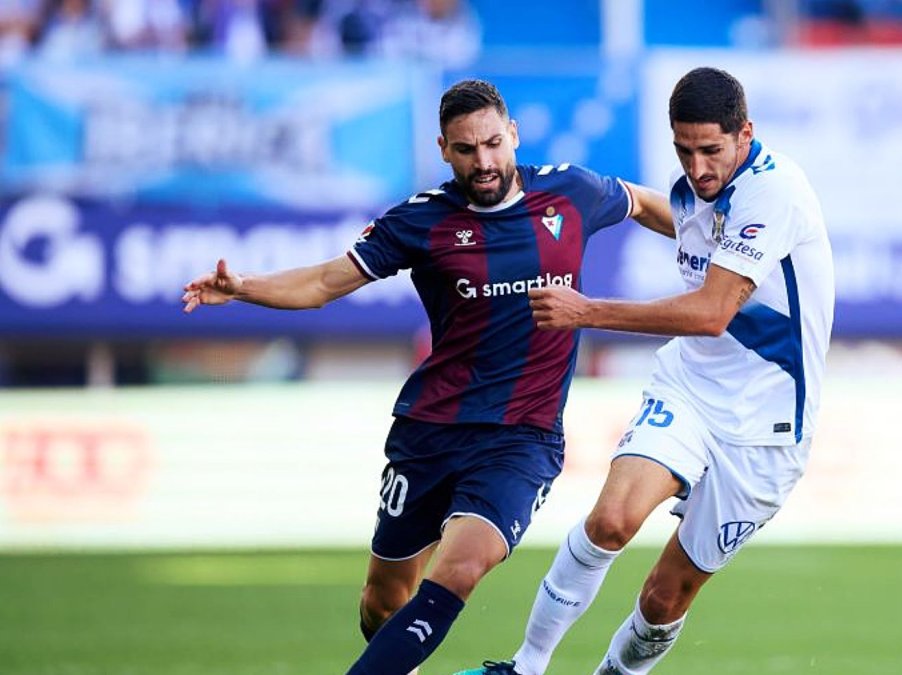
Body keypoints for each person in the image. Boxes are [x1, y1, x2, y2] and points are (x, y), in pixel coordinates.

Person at [181, 78, 673, 675]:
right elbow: (324, 283)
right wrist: (243, 288)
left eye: (492, 143)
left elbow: (643, 202)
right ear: (444, 149)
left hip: (522, 437)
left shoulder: (571, 192)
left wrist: (714, 250)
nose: (483, 161)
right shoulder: (422, 221)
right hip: (431, 431)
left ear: (513, 135)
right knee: (383, 600)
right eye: (466, 149)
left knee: (460, 569)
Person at [457, 66, 835, 675]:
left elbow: (711, 313)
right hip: (690, 390)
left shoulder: (775, 194)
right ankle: (525, 667)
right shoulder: (696, 187)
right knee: (611, 521)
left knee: (664, 597)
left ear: (745, 134)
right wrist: (619, 197)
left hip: (767, 429)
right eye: (684, 151)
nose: (698, 167)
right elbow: (678, 218)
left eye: (711, 150)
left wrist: (586, 311)